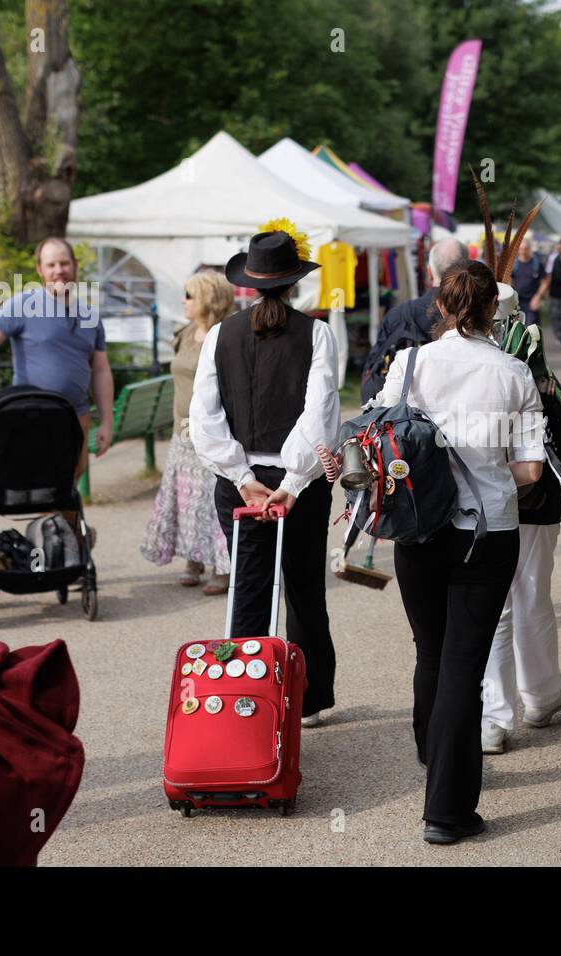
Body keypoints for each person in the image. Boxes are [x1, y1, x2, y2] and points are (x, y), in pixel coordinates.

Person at [376, 260, 545, 845]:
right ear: (491, 311)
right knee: (464, 663)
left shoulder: (409, 363)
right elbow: (527, 469)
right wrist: (489, 468)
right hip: (487, 530)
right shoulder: (514, 373)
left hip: (417, 525)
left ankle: (432, 758)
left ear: (441, 307)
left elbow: (378, 435)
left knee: (430, 647)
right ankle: (446, 810)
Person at [189, 228, 340, 727]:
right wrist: (294, 480)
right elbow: (319, 415)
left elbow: (203, 419)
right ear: (294, 283)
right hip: (294, 479)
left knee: (249, 587)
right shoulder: (317, 334)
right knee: (302, 588)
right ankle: (310, 697)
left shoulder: (219, 335)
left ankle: (242, 696)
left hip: (242, 478)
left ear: (249, 284)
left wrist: (240, 474)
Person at [0, 236, 113, 546]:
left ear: (75, 266)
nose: (59, 270)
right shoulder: (22, 305)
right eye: (51, 265)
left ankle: (67, 547)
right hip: (33, 418)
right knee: (47, 488)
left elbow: (100, 369)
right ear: (39, 269)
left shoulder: (89, 313)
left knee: (67, 487)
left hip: (76, 417)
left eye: (64, 263)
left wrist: (106, 420)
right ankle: (68, 546)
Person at [481, 284, 561, 756]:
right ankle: (537, 696)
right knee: (529, 596)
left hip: (489, 496)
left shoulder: (475, 358)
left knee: (500, 603)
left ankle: (500, 713)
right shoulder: (528, 361)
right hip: (530, 494)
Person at [140, 270, 234, 595]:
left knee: (212, 501)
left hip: (214, 431)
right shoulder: (185, 331)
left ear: (208, 298)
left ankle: (223, 566)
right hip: (182, 434)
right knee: (186, 502)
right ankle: (194, 559)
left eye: (190, 296)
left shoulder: (227, 335)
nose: (184, 301)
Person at [359, 237, 468, 405]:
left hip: (411, 414)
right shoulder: (483, 314)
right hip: (463, 411)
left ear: (429, 272)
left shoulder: (398, 314)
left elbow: (373, 374)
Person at [510, 236, 545, 327]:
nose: (523, 251)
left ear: (529, 249)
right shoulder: (514, 265)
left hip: (532, 300)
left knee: (533, 328)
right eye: (521, 249)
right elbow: (510, 281)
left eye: (525, 249)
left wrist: (538, 297)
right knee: (517, 327)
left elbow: (544, 282)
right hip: (517, 301)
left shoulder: (537, 264)